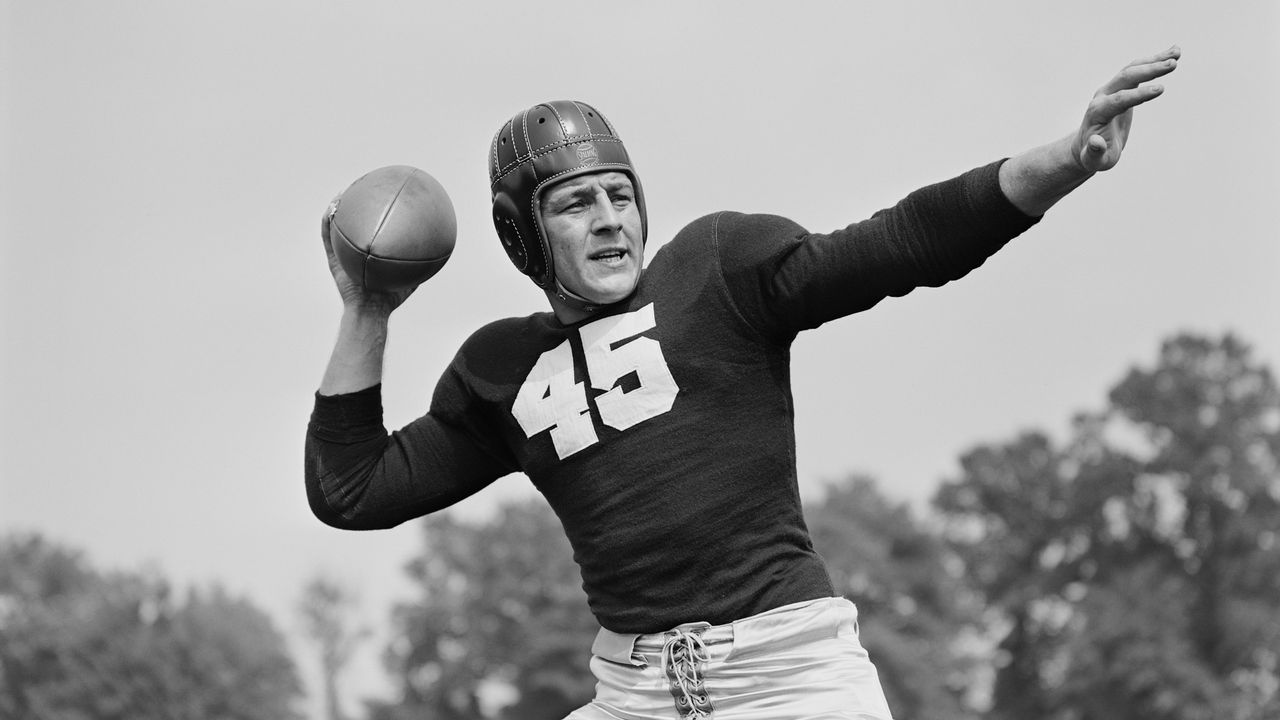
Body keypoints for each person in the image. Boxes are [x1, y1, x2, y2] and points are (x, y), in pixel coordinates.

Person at [306, 47, 1180, 720]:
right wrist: (369, 309)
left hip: (790, 674)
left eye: (620, 193)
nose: (611, 219)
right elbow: (352, 490)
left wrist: (1067, 160)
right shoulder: (499, 371)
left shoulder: (715, 270)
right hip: (636, 691)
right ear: (523, 235)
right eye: (576, 203)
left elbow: (905, 243)